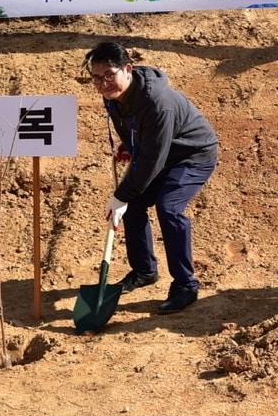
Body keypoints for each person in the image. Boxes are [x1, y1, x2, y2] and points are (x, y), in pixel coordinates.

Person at [87, 41, 219, 313]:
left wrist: (120, 195)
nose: (103, 84)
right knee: (134, 205)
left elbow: (151, 160)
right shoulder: (113, 95)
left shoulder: (158, 102)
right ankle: (145, 271)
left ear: (128, 69)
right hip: (161, 152)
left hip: (192, 155)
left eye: (109, 75)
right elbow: (135, 131)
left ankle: (186, 285)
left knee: (168, 207)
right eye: (96, 78)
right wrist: (129, 145)